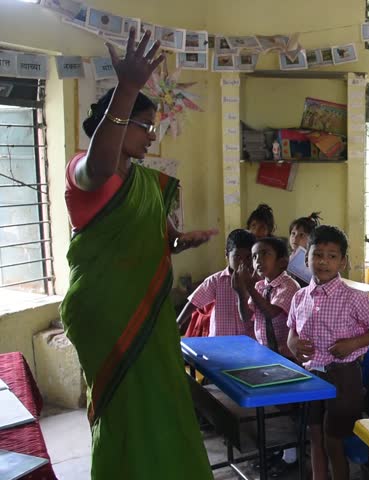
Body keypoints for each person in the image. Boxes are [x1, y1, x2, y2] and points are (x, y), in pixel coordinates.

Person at [60, 29, 216, 479]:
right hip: (106, 312)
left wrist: (179, 242)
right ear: (118, 120)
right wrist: (127, 87)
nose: (151, 136)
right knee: (125, 407)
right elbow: (101, 166)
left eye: (153, 127)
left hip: (145, 309)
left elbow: (157, 239)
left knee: (162, 400)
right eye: (144, 126)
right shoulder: (85, 170)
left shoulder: (147, 184)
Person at [287, 226, 369, 480]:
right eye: (317, 254)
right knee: (315, 434)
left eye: (332, 256)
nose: (323, 262)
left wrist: (353, 344)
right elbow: (292, 334)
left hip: (343, 377)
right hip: (312, 376)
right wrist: (294, 345)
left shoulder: (354, 298)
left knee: (333, 440)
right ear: (306, 258)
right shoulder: (300, 297)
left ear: (343, 262)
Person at [177, 229, 255, 336]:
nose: (243, 262)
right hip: (220, 341)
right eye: (237, 256)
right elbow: (194, 302)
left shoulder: (257, 281)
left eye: (248, 257)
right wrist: (178, 322)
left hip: (248, 342)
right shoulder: (216, 281)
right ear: (227, 255)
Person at [235, 237, 300, 358]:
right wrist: (240, 292)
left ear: (282, 262)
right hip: (263, 351)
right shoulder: (259, 286)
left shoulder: (289, 285)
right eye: (254, 256)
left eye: (265, 254)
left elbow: (271, 312)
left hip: (287, 355)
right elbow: (245, 317)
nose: (258, 260)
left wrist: (249, 287)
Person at [288, 212, 322, 287]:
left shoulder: (315, 260)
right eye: (293, 233)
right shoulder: (287, 257)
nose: (295, 238)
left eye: (301, 235)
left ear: (312, 239)